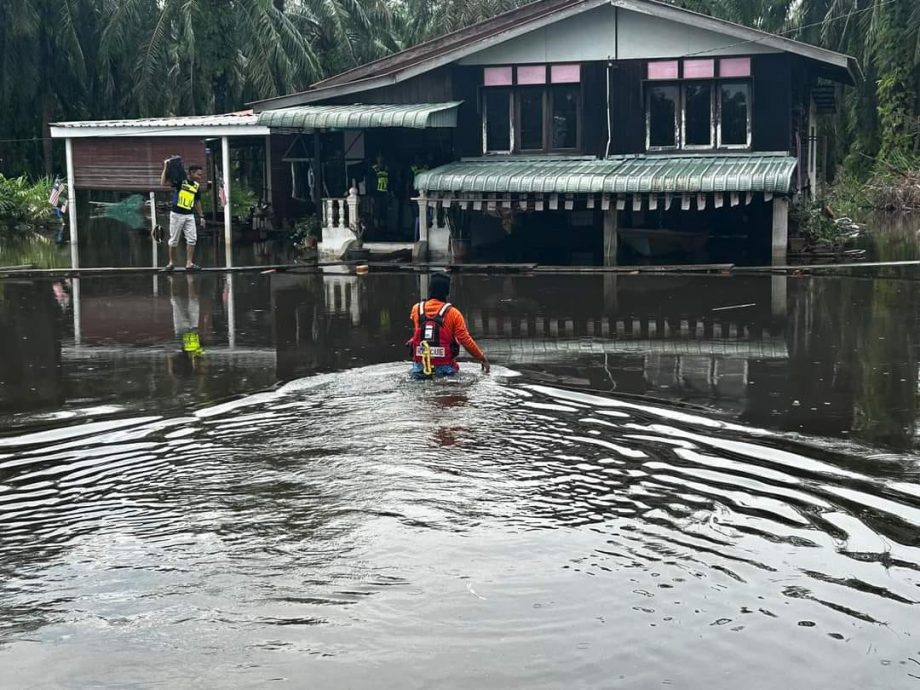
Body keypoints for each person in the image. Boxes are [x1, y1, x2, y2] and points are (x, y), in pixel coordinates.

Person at [407, 272, 489, 379]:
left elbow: (418, 335)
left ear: (430, 289)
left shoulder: (416, 309)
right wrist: (482, 358)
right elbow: (465, 340)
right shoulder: (454, 313)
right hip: (445, 369)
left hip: (420, 367)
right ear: (447, 292)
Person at [160, 160, 206, 271]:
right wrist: (166, 166)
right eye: (198, 174)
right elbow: (163, 182)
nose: (200, 177)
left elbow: (197, 201)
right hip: (177, 214)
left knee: (192, 239)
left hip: (189, 215)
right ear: (191, 173)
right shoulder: (181, 182)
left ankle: (189, 263)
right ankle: (170, 263)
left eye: (201, 175)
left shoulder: (196, 186)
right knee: (174, 239)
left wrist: (201, 216)